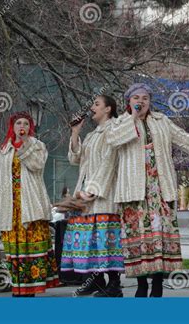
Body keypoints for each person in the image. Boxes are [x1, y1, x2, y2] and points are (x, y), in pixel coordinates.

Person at [86, 83, 189, 297]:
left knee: (159, 239)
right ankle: (141, 285)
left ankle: (157, 284)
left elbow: (186, 140)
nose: (141, 101)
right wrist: (92, 188)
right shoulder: (119, 124)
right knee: (138, 240)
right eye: (136, 98)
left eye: (145, 98)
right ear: (128, 102)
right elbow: (111, 151)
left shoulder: (161, 122)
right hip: (133, 192)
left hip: (158, 190)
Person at [0, 111, 59, 297]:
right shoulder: (4, 149)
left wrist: (24, 147)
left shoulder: (37, 146)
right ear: (13, 126)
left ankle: (32, 289)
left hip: (31, 203)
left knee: (30, 247)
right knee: (15, 248)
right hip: (11, 206)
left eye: (25, 124)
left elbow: (37, 165)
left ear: (30, 127)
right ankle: (18, 287)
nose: (22, 127)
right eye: (18, 123)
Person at [62, 95, 125, 297]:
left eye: (96, 104)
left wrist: (92, 189)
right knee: (90, 241)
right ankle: (95, 281)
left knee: (105, 240)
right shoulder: (91, 135)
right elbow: (75, 158)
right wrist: (75, 132)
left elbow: (110, 162)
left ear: (108, 109)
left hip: (103, 194)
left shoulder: (114, 130)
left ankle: (114, 285)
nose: (92, 107)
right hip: (84, 194)